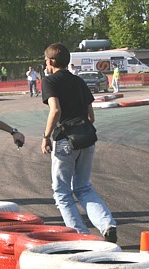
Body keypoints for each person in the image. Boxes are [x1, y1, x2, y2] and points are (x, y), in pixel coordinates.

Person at [41, 43, 117, 243]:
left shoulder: (50, 81)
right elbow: (91, 116)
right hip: (86, 137)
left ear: (50, 61)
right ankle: (107, 224)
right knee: (83, 187)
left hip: (65, 140)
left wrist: (45, 136)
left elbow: (55, 110)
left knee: (61, 192)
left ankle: (80, 236)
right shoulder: (79, 81)